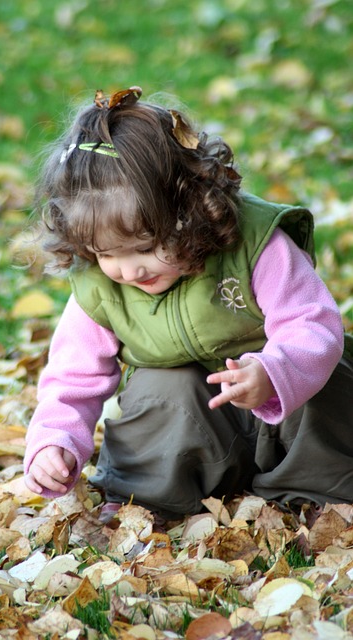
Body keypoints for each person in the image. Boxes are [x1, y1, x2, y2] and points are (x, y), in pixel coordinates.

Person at [24, 86, 353, 522]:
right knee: (163, 387)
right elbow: (72, 377)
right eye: (107, 254)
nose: (130, 271)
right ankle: (150, 499)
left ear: (191, 209)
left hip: (282, 412)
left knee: (325, 381)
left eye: (147, 246)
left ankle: (314, 495)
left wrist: (275, 371)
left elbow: (312, 324)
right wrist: (54, 441)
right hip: (201, 431)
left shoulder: (255, 244)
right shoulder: (98, 288)